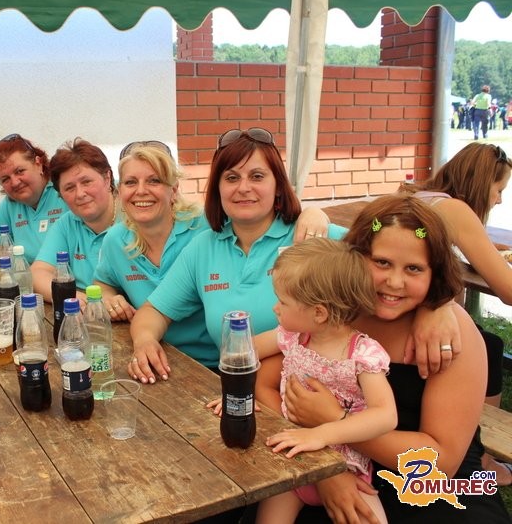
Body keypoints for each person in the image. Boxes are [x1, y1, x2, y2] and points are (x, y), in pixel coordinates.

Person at [268, 195, 509, 523]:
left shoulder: (449, 335)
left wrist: (335, 421)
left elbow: (442, 463)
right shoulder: (335, 314)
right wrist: (327, 469)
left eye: (414, 268)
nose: (395, 282)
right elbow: (265, 383)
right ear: (355, 257)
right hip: (340, 468)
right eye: (381, 262)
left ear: (435, 272)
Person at [128, 128, 345, 384]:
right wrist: (145, 341)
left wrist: (320, 214)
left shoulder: (311, 234)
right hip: (235, 388)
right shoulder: (204, 248)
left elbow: (378, 228)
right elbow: (154, 310)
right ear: (218, 188)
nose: (243, 188)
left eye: (257, 176)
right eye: (231, 178)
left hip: (317, 395)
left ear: (278, 185)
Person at [213, 238, 396, 523]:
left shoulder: (362, 355)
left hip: (346, 468)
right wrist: (237, 397)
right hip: (291, 458)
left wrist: (321, 435)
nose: (275, 308)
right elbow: (245, 353)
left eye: (283, 302)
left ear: (319, 312)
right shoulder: (293, 336)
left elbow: (386, 415)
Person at [401, 141, 512, 484]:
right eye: (499, 189)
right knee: (489, 346)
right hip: (413, 324)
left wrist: (488, 249)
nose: (499, 200)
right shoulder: (455, 210)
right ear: (481, 183)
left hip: (394, 311)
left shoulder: (421, 198)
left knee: (489, 341)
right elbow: (508, 291)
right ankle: (479, 455)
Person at [93, 142, 217, 367]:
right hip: (152, 354)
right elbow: (102, 284)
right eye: (131, 182)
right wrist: (109, 298)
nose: (141, 191)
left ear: (174, 190)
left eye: (154, 181)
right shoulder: (115, 239)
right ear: (120, 191)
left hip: (213, 364)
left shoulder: (205, 227)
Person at [31, 138, 121, 302]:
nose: (80, 194)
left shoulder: (134, 216)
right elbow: (38, 273)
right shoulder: (67, 223)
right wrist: (77, 299)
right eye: (69, 188)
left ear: (107, 178)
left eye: (86, 182)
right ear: (60, 196)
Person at [0, 133, 67, 263]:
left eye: (19, 171)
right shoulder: (10, 204)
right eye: (5, 179)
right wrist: (19, 266)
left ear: (38, 164)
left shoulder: (64, 190)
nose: (15, 183)